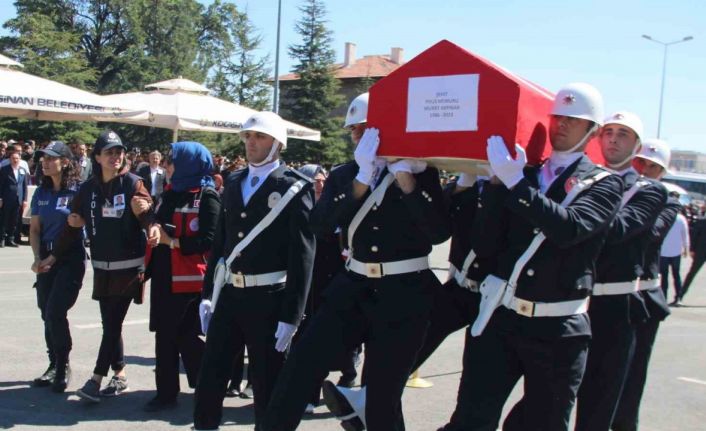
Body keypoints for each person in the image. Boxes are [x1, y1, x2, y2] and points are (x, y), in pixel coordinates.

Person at [262, 96, 450, 430]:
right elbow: (320, 225)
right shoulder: (346, 174)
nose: (356, 137)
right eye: (353, 131)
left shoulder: (420, 172)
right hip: (354, 285)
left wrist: (406, 178)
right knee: (299, 368)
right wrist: (362, 180)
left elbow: (437, 232)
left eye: (364, 129)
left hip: (404, 291)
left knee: (382, 396)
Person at [456, 83, 623, 431]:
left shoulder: (605, 184)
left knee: (544, 423)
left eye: (572, 120)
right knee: (471, 418)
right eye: (557, 117)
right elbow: (486, 243)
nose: (561, 125)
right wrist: (494, 185)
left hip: (558, 329)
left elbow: (569, 229)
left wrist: (516, 184)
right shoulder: (525, 171)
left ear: (591, 130)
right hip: (502, 316)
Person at [193, 111, 315, 431]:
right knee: (209, 380)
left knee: (267, 386)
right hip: (230, 295)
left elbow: (303, 257)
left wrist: (292, 316)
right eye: (247, 136)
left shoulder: (294, 188)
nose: (251, 142)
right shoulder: (233, 182)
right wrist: (209, 294)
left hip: (269, 298)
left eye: (259, 137)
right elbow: (219, 245)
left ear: (277, 144)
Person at [40, 130, 159, 403]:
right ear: (97, 157)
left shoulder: (133, 183)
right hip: (102, 269)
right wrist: (53, 256)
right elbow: (72, 226)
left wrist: (151, 225)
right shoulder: (88, 189)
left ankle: (95, 379)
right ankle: (120, 375)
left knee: (112, 324)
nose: (115, 156)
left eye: (119, 151)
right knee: (111, 324)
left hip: (129, 269)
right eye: (109, 152)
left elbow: (148, 212)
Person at [574, 112, 669, 431]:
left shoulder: (647, 191)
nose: (613, 139)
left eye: (624, 134)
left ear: (637, 145)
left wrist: (567, 220)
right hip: (569, 303)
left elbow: (616, 231)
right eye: (609, 132)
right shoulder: (580, 178)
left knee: (599, 407)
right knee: (549, 402)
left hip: (613, 309)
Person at [131, 141, 221, 411]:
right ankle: (166, 393)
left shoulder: (207, 195)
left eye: (172, 161)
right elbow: (158, 220)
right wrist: (152, 224)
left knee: (186, 337)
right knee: (164, 337)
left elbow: (210, 240)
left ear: (189, 164)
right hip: (163, 275)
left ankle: (209, 382)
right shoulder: (169, 193)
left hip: (189, 280)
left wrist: (172, 242)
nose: (167, 166)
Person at [612, 138, 680, 431]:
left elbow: (651, 233)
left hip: (643, 299)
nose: (645, 170)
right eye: (641, 162)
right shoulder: (616, 187)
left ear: (662, 172)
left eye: (653, 167)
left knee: (632, 375)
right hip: (608, 294)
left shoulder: (667, 199)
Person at [29, 141, 86, 393]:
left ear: (65, 162)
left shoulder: (77, 191)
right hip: (46, 256)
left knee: (55, 311)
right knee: (45, 312)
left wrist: (53, 258)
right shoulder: (41, 192)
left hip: (70, 258)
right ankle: (53, 363)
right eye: (43, 159)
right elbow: (34, 229)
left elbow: (76, 229)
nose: (46, 162)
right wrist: (37, 258)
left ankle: (63, 365)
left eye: (52, 158)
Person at [660, 205, 690, 305]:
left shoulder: (664, 216)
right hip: (675, 251)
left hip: (664, 251)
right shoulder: (681, 218)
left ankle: (664, 297)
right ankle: (678, 298)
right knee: (676, 275)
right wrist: (686, 248)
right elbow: (685, 234)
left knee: (664, 276)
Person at [0, 147, 29, 247]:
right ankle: (2, 239)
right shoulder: (4, 170)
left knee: (15, 220)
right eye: (13, 158)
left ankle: (11, 239)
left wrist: (25, 199)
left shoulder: (22, 170)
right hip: (7, 198)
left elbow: (25, 186)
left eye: (17, 158)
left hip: (18, 199)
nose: (15, 160)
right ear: (10, 159)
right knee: (4, 219)